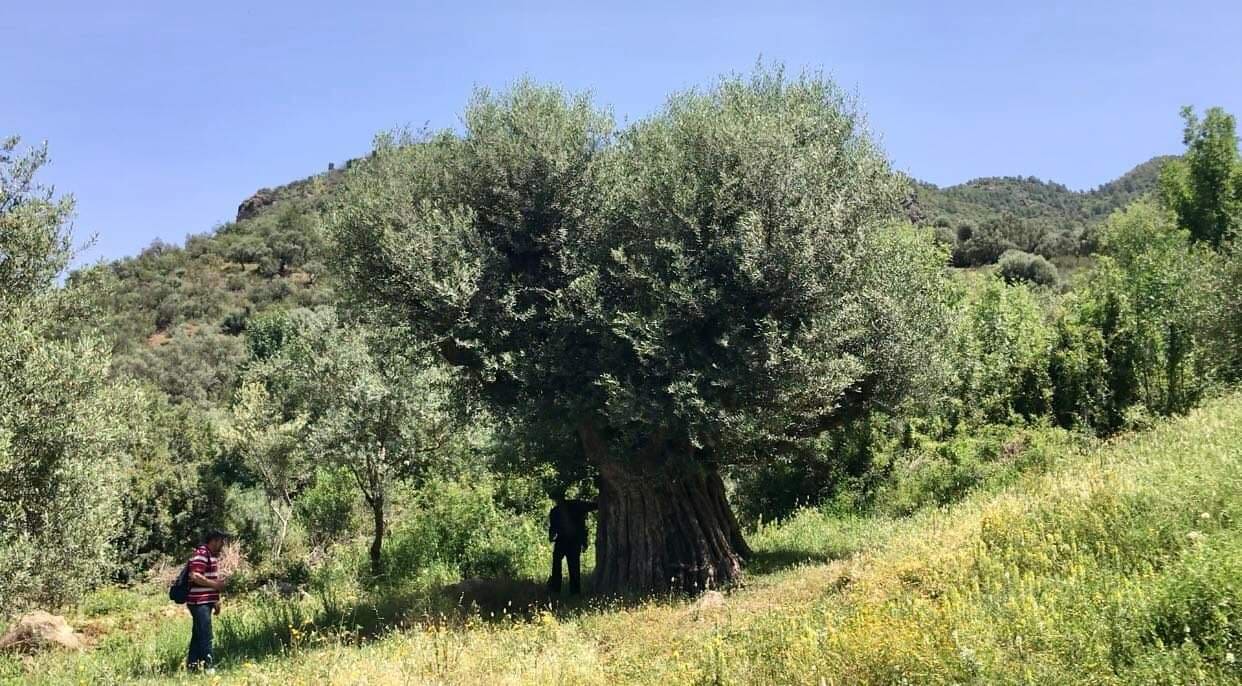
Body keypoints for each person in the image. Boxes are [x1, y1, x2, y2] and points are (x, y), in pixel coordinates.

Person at [185, 530, 228, 672]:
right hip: (199, 602)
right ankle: (209, 667)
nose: (222, 545)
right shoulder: (202, 554)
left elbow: (211, 579)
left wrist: (216, 600)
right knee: (206, 634)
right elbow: (195, 575)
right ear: (214, 541)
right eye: (221, 541)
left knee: (198, 635)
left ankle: (192, 667)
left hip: (206, 601)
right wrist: (215, 585)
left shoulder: (211, 556)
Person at [547, 493, 597, 595]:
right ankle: (572, 591)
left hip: (565, 541)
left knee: (559, 565)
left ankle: (557, 588)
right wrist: (584, 542)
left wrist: (551, 537)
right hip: (571, 541)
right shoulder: (576, 506)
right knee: (572, 566)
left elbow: (553, 529)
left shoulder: (557, 510)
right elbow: (594, 506)